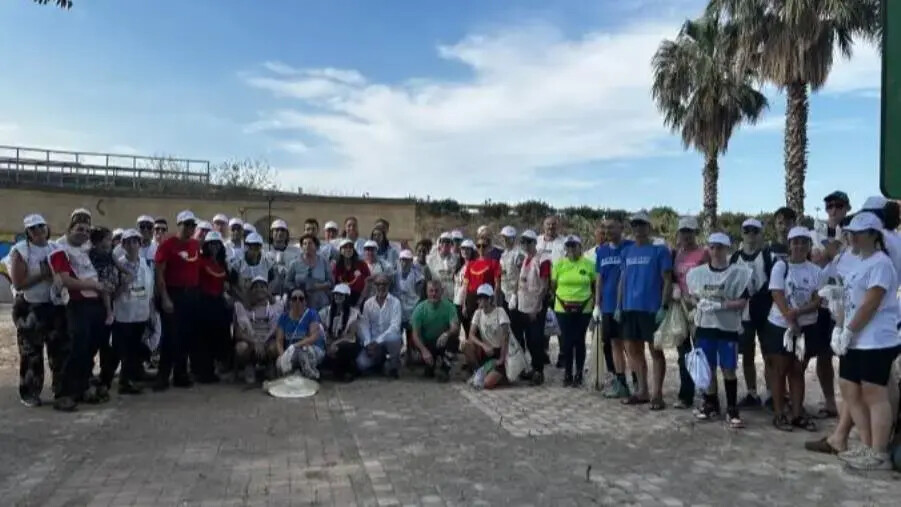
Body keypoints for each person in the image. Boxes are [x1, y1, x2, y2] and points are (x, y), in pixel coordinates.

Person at [833, 212, 901, 470]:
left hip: (875, 339)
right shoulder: (859, 262)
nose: (853, 237)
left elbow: (871, 303)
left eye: (859, 233)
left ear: (874, 235)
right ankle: (867, 445)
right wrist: (839, 327)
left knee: (875, 395)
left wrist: (848, 330)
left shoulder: (881, 263)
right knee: (849, 389)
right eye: (851, 232)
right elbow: (851, 299)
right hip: (856, 339)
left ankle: (879, 452)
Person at [686, 233, 752, 428]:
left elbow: (743, 301)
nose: (716, 251)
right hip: (705, 326)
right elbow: (692, 296)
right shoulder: (698, 273)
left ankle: (732, 407)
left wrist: (721, 305)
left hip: (727, 327)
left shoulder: (738, 273)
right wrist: (699, 303)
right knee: (708, 367)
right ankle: (711, 402)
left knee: (728, 368)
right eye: (712, 247)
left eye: (720, 247)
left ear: (727, 249)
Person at [764, 226, 822, 431]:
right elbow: (776, 293)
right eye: (795, 242)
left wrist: (798, 313)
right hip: (780, 326)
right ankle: (779, 414)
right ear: (789, 245)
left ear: (808, 245)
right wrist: (789, 316)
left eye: (803, 242)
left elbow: (817, 299)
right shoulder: (781, 267)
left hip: (805, 327)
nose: (799, 246)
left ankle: (797, 413)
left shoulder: (815, 270)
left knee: (798, 371)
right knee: (780, 370)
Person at [49, 216, 109, 411]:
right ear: (69, 229)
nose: (83, 232)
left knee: (91, 348)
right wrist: (94, 285)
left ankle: (82, 388)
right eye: (79, 229)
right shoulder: (60, 251)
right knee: (76, 348)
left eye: (86, 230)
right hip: (77, 304)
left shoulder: (85, 251)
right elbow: (66, 280)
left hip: (96, 303)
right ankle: (64, 393)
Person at [618, 210, 673, 410]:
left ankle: (657, 394)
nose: (638, 229)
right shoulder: (627, 252)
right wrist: (619, 306)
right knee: (633, 350)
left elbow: (668, 280)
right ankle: (642, 391)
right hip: (630, 308)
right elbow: (622, 280)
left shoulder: (660, 251)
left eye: (642, 225)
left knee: (655, 351)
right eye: (635, 225)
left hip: (651, 309)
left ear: (649, 227)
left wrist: (664, 306)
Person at [9, 213, 65, 407]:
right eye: (33, 229)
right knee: (31, 352)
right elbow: (18, 283)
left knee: (58, 351)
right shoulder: (21, 251)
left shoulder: (55, 248)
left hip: (54, 306)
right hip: (29, 308)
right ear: (28, 232)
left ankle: (61, 389)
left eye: (41, 226)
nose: (38, 231)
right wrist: (43, 275)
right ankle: (30, 391)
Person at [153, 210, 202, 391]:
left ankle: (180, 374)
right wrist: (165, 297)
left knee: (185, 336)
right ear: (179, 225)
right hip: (174, 294)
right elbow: (159, 273)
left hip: (191, 295)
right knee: (170, 337)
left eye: (192, 225)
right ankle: (162, 376)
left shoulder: (195, 245)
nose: (190, 228)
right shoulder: (167, 245)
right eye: (186, 224)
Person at [730, 218, 775, 409]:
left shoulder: (767, 256)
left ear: (760, 234)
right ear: (742, 233)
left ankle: (773, 394)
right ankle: (752, 393)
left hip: (764, 312)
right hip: (744, 314)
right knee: (747, 355)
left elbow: (773, 283)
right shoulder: (735, 257)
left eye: (755, 231)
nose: (751, 234)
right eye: (747, 231)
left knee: (769, 355)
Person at [109, 229, 154, 395]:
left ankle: (132, 377)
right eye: (128, 242)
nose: (132, 245)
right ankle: (121, 382)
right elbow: (112, 293)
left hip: (140, 314)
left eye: (135, 242)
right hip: (123, 315)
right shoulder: (118, 265)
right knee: (123, 350)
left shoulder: (144, 264)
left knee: (135, 348)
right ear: (123, 245)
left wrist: (151, 311)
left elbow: (149, 289)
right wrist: (123, 285)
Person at [594, 216, 635, 398]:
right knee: (614, 344)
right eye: (605, 228)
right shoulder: (601, 252)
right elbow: (599, 279)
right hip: (608, 306)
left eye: (612, 227)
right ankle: (621, 383)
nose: (608, 231)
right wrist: (597, 304)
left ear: (621, 227)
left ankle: (638, 381)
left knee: (631, 345)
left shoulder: (630, 248)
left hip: (627, 305)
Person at [672, 217, 709, 409]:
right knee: (683, 353)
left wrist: (698, 299)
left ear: (695, 233)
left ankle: (706, 392)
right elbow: (673, 278)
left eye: (689, 231)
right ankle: (685, 394)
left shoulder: (704, 254)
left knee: (701, 352)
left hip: (699, 308)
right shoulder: (677, 255)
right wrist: (675, 289)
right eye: (683, 231)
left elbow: (712, 277)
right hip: (681, 308)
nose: (686, 235)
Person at [551, 235, 596, 387]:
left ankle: (579, 373)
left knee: (579, 340)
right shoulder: (559, 264)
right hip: (562, 306)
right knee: (566, 341)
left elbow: (594, 285)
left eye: (574, 246)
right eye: (568, 246)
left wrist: (595, 303)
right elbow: (553, 285)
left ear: (580, 247)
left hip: (584, 306)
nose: (570, 249)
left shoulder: (589, 264)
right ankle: (567, 373)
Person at [513, 229, 552, 385]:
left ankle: (539, 371)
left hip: (535, 306)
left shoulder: (542, 259)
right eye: (523, 242)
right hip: (523, 305)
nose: (525, 245)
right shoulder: (525, 258)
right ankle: (531, 368)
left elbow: (544, 286)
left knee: (536, 340)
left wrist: (536, 308)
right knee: (527, 339)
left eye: (529, 241)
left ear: (535, 242)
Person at [233, 277, 282, 384]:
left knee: (275, 346)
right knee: (241, 347)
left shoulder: (276, 307)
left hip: (268, 340)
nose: (259, 289)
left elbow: (279, 330)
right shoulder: (242, 308)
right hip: (251, 340)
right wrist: (254, 342)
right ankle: (249, 366)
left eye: (262, 287)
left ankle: (270, 365)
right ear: (251, 291)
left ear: (267, 290)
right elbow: (238, 333)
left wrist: (265, 342)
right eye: (255, 287)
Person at [409, 280, 461, 381]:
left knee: (454, 339)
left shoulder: (449, 306)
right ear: (426, 292)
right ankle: (429, 364)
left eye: (437, 291)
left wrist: (447, 333)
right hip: (427, 343)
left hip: (442, 340)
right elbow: (415, 335)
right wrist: (424, 351)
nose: (434, 294)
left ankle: (445, 369)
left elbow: (455, 327)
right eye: (431, 291)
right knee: (428, 372)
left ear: (442, 291)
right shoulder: (419, 309)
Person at [196, 231, 230, 383]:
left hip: (219, 305)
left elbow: (227, 283)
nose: (214, 247)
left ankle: (215, 369)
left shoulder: (222, 264)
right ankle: (203, 372)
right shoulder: (201, 261)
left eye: (217, 244)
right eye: (211, 244)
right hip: (204, 304)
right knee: (204, 340)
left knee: (217, 339)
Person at [464, 284, 512, 389]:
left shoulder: (500, 312)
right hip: (486, 351)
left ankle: (500, 374)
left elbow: (505, 336)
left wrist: (502, 358)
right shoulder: (478, 313)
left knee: (487, 384)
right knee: (465, 344)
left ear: (490, 299)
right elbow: (471, 335)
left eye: (483, 298)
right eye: (479, 298)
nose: (480, 301)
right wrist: (483, 345)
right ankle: (479, 371)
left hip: (499, 351)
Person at [356, 274, 403, 378]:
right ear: (374, 285)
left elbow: (395, 327)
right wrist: (368, 343)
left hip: (387, 341)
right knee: (361, 364)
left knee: (395, 338)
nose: (381, 287)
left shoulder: (396, 302)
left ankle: (393, 363)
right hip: (372, 341)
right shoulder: (368, 303)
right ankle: (380, 362)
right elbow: (365, 325)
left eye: (384, 284)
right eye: (378, 284)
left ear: (389, 285)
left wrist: (378, 341)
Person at [276, 288, 326, 380]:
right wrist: (283, 356)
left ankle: (312, 376)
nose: (297, 301)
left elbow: (313, 337)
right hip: (292, 352)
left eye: (301, 299)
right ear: (290, 302)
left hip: (311, 349)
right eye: (294, 299)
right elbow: (279, 341)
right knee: (280, 363)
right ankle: (295, 374)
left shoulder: (312, 314)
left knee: (303, 354)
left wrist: (295, 346)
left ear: (305, 302)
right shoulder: (283, 317)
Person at [319, 284, 362, 381]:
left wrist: (336, 343)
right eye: (336, 294)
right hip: (329, 343)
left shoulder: (353, 313)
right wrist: (328, 342)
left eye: (341, 295)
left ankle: (343, 372)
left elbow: (351, 336)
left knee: (346, 348)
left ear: (346, 297)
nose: (337, 297)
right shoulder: (326, 311)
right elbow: (322, 328)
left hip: (344, 343)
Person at [285, 233, 334, 311]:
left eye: (310, 243)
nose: (307, 245)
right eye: (304, 244)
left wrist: (319, 286)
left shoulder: (324, 262)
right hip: (301, 301)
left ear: (316, 246)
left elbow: (331, 282)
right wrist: (296, 289)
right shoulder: (294, 263)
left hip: (320, 302)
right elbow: (287, 282)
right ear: (301, 247)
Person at [393, 249, 425, 361]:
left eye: (407, 260)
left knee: (412, 334)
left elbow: (419, 293)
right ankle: (398, 355)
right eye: (402, 260)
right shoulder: (395, 274)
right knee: (398, 333)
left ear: (411, 261)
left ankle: (411, 356)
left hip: (412, 308)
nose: (404, 262)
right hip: (399, 309)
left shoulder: (417, 275)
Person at [230, 232, 273, 304]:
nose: (254, 251)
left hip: (263, 302)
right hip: (243, 302)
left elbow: (272, 281)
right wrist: (243, 299)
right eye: (252, 247)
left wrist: (267, 294)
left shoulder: (267, 263)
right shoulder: (237, 264)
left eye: (257, 247)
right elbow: (233, 285)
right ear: (247, 247)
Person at [498, 226, 523, 341]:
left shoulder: (518, 254)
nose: (504, 240)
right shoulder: (503, 254)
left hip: (515, 294)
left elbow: (521, 274)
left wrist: (515, 295)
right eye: (503, 238)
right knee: (506, 325)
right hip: (504, 292)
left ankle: (520, 354)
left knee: (516, 327)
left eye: (506, 238)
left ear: (512, 238)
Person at [267, 219, 302, 296]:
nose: (280, 233)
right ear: (271, 233)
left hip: (290, 293)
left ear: (287, 234)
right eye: (276, 230)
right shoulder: (265, 252)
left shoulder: (296, 252)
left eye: (282, 230)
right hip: (271, 294)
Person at [334, 238, 371, 307]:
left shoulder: (362, 264)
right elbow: (334, 285)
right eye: (345, 247)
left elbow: (368, 283)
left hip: (359, 299)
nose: (348, 249)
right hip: (341, 300)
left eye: (350, 247)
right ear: (340, 251)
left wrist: (360, 302)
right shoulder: (336, 266)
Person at [454, 239, 477, 335]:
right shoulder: (460, 266)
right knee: (457, 330)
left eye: (468, 249)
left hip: (467, 303)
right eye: (463, 248)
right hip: (456, 301)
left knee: (469, 331)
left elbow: (470, 287)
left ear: (472, 251)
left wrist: (465, 305)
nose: (465, 251)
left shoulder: (474, 266)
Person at [427, 232, 458, 299]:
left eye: (448, 242)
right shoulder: (430, 259)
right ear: (439, 243)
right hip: (436, 296)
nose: (445, 244)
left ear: (451, 244)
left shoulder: (456, 259)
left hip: (451, 297)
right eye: (443, 241)